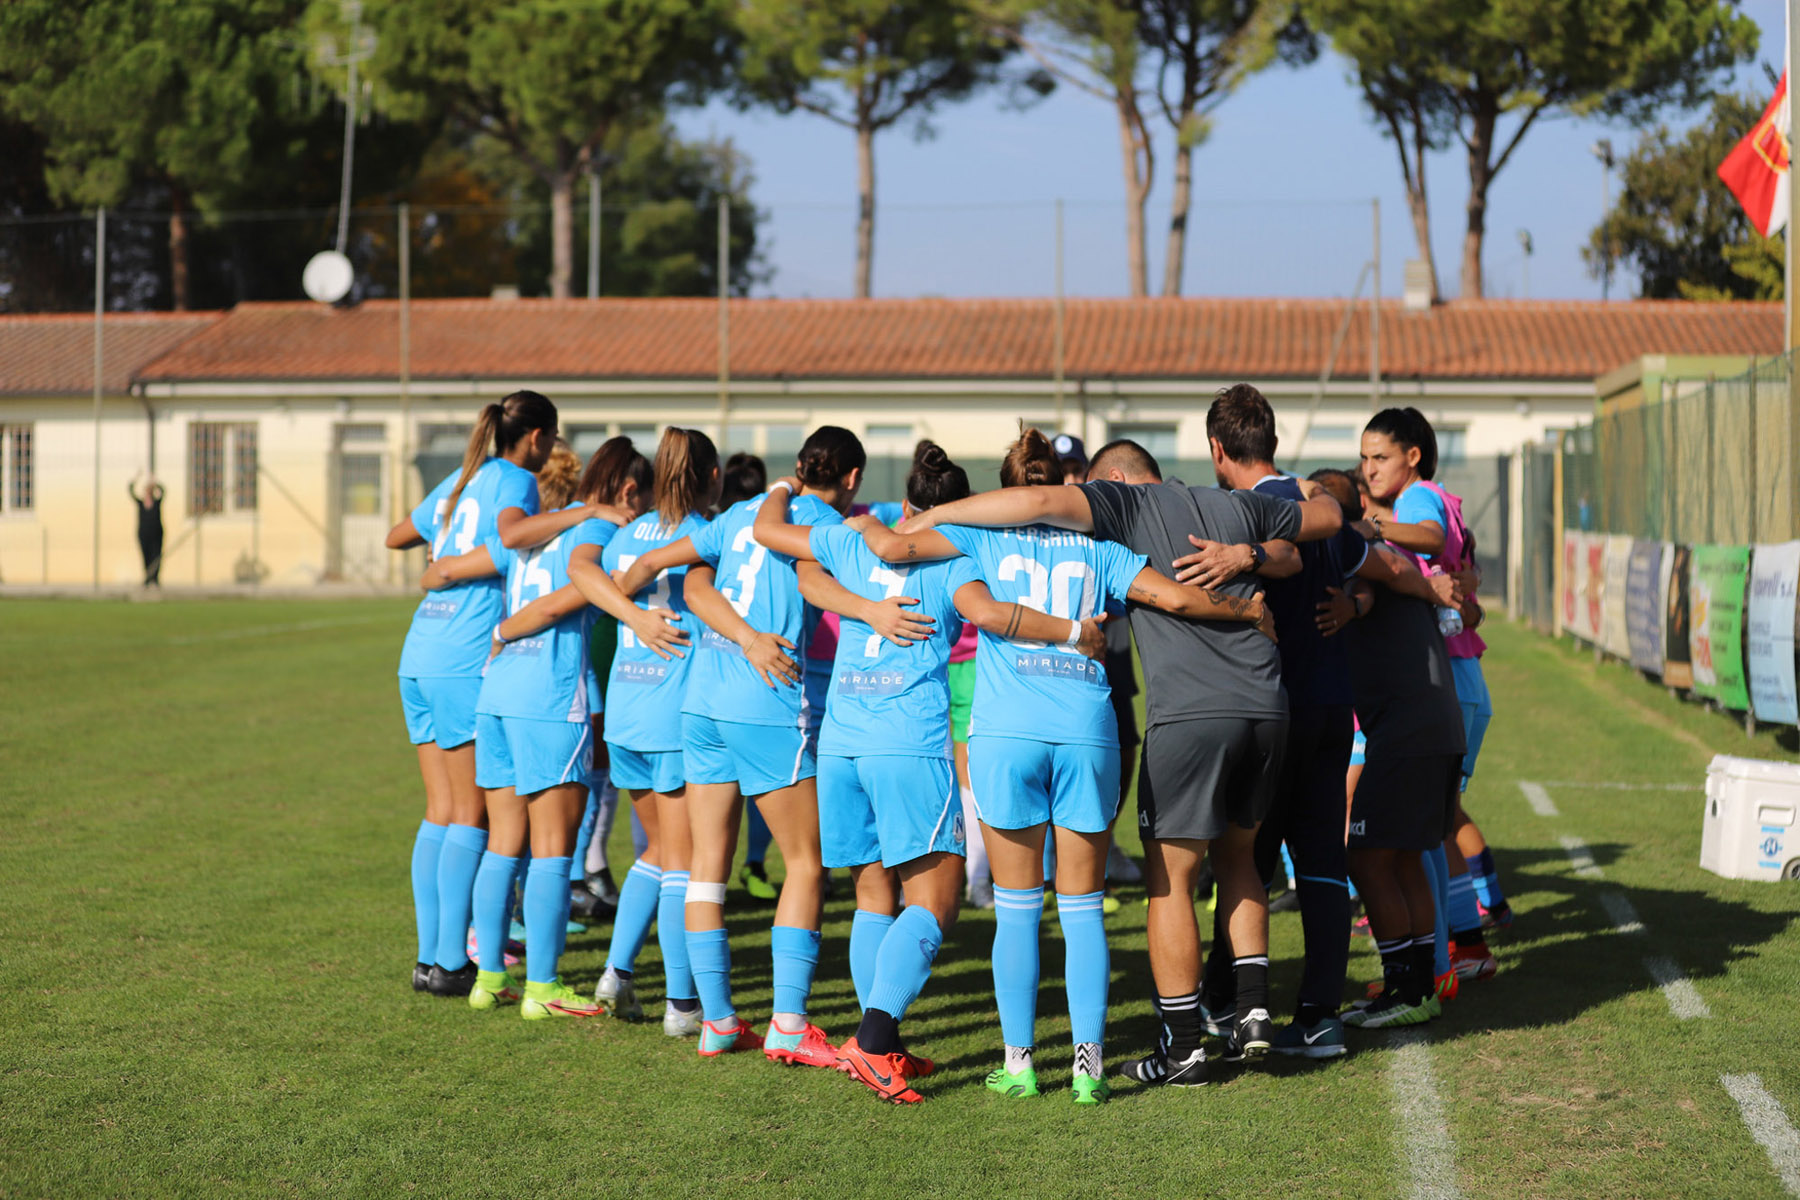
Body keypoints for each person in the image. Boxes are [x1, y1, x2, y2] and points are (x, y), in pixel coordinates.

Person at [898, 416, 1342, 1088]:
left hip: (1010, 731)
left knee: (1022, 908)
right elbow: (1181, 596)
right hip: (1094, 730)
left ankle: (1021, 1065)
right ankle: (1092, 1067)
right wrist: (1247, 610)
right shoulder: (1104, 550)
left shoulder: (978, 537)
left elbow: (921, 567)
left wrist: (917, 520)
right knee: (1086, 909)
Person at [754, 441, 1111, 1102]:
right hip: (907, 742)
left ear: (905, 500)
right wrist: (1074, 632)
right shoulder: (957, 556)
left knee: (872, 894)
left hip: (841, 741)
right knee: (935, 902)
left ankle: (879, 1044)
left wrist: (853, 593)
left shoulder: (855, 536)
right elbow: (989, 613)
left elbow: (790, 556)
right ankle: (873, 1042)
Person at [1187, 389, 1458, 1059]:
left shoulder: (1233, 511)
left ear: (1218, 450)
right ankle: (1318, 1017)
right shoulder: (1323, 510)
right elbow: (1390, 566)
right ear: (1274, 441)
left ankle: (1224, 999)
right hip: (1335, 713)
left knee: (1244, 863)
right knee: (1323, 866)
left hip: (1271, 714)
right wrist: (1425, 591)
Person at [613, 426, 868, 1064]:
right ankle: (788, 1023)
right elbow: (816, 582)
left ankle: (718, 1020)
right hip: (766, 701)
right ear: (852, 478)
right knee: (805, 863)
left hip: (701, 701)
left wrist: (630, 602)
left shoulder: (735, 514)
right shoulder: (820, 523)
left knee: (706, 864)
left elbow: (666, 571)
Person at [384, 391, 580, 998]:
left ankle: (429, 959)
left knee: (440, 809)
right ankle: (451, 962)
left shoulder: (461, 476)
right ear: (538, 438)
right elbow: (510, 542)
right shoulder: (518, 480)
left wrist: (441, 558)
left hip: (420, 650)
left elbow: (398, 535)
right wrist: (450, 567)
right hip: (464, 656)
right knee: (469, 815)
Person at [573, 428, 720, 1036]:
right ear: (712, 477)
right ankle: (682, 1005)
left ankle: (617, 973)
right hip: (673, 712)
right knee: (682, 858)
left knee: (656, 853)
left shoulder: (625, 535)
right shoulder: (707, 534)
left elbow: (583, 572)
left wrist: (630, 611)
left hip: (627, 710)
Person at [1323, 437, 1470, 1030]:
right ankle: (1417, 986)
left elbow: (1383, 573)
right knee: (1402, 856)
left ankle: (1409, 985)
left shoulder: (1357, 547)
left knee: (1366, 856)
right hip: (1428, 727)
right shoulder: (1364, 553)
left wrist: (1357, 606)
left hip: (1412, 732)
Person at [1360, 408, 1498, 983]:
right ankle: (1464, 950)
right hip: (1460, 680)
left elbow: (1432, 539)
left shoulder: (1415, 501)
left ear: (1412, 456)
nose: (1369, 469)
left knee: (1418, 838)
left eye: (1380, 457)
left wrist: (1372, 527)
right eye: (1364, 459)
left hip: (1441, 681)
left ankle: (1437, 964)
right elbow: (1468, 586)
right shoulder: (1443, 498)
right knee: (1437, 829)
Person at [719, 452, 781, 903]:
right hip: (758, 689)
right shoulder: (772, 526)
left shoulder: (718, 526)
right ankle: (755, 863)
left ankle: (748, 865)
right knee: (804, 860)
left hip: (709, 693)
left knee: (685, 858)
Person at [129, 474, 164, 587]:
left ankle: (155, 578)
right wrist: (136, 477)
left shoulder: (157, 503)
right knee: (146, 556)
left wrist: (155, 482)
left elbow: (163, 491)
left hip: (156, 535)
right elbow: (130, 490)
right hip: (144, 535)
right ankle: (148, 577)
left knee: (156, 556)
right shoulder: (140, 503)